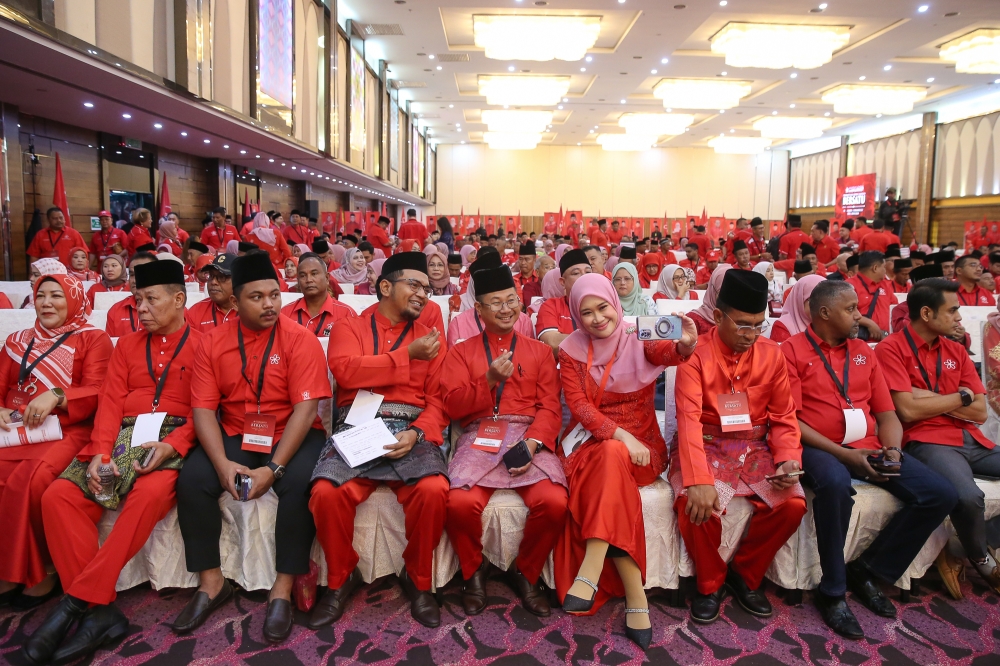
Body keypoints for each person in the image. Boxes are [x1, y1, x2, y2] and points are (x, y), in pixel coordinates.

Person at [27, 261, 201, 664]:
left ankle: (73, 606)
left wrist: (173, 445)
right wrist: (101, 454)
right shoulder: (125, 344)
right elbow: (108, 404)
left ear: (179, 300)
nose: (139, 308)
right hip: (122, 435)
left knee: (148, 495)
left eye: (150, 300)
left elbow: (206, 411)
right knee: (58, 497)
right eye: (137, 299)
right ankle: (100, 611)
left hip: (171, 440)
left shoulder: (205, 343)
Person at [780, 280, 956, 637]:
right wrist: (846, 455)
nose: (860, 315)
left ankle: (870, 570)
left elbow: (887, 413)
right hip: (819, 446)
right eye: (851, 309)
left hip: (871, 444)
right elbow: (791, 420)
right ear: (824, 313)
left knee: (941, 494)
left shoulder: (863, 351)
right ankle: (832, 591)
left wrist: (892, 449)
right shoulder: (791, 351)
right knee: (834, 483)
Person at [172, 252, 331, 642]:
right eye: (257, 297)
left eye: (275, 295)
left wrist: (273, 469)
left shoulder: (300, 339)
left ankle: (281, 589)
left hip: (291, 432)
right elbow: (204, 411)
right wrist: (223, 465)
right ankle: (211, 583)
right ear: (235, 301)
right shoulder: (212, 343)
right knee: (192, 480)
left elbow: (305, 408)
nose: (270, 304)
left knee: (299, 484)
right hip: (237, 431)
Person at [555, 273, 697, 650]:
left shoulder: (639, 333)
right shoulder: (570, 350)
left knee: (613, 459)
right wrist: (622, 436)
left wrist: (684, 347)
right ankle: (637, 596)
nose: (597, 319)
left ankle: (591, 567)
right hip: (597, 443)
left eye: (603, 308)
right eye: (586, 313)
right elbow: (581, 408)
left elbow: (664, 355)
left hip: (645, 450)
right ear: (576, 314)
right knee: (612, 454)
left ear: (615, 304)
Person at [309, 252, 449, 629]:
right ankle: (340, 579)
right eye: (414, 285)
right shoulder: (348, 327)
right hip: (359, 425)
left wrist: (417, 432)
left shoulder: (431, 339)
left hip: (410, 429)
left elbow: (439, 400)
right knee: (326, 492)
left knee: (434, 490)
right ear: (386, 286)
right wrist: (406, 356)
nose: (424, 293)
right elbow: (346, 372)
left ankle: (418, 580)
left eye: (427, 287)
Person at [671, 270, 806, 624]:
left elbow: (783, 416)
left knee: (792, 504)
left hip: (754, 447)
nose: (751, 335)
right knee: (694, 503)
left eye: (759, 325)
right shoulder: (695, 356)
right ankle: (710, 582)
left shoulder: (771, 354)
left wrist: (788, 459)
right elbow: (687, 421)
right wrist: (697, 479)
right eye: (743, 325)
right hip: (705, 443)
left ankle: (745, 575)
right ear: (717, 316)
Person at [441, 265, 567, 617]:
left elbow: (550, 409)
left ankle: (526, 573)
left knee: (554, 501)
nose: (506, 308)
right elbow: (451, 405)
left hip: (528, 435)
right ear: (478, 310)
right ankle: (472, 572)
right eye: (495, 303)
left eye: (511, 300)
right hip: (479, 432)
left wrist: (533, 443)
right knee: (458, 503)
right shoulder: (461, 352)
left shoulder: (539, 352)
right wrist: (489, 379)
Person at [875, 278, 1000, 598]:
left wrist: (928, 398)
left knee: (968, 495)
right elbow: (907, 411)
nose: (960, 317)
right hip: (928, 441)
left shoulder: (955, 351)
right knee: (967, 496)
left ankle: (971, 542)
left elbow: (981, 413)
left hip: (972, 438)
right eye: (953, 310)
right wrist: (961, 396)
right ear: (927, 313)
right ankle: (982, 559)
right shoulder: (892, 348)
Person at [0, 274, 112, 612]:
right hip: (13, 430)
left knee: (31, 480)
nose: (47, 303)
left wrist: (59, 395)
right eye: (41, 295)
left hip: (67, 429)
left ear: (75, 300)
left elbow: (99, 391)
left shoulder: (93, 339)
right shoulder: (16, 340)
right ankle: (8, 567)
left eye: (57, 296)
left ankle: (43, 570)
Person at [449, 254, 535, 346]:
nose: (505, 310)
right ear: (478, 307)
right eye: (496, 303)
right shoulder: (459, 324)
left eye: (510, 300)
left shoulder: (524, 321)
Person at [280, 253, 356, 336]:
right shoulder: (285, 313)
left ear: (327, 278)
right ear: (298, 281)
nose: (309, 280)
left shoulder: (346, 314)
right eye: (303, 276)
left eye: (314, 274)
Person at [535, 250, 593, 356]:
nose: (584, 277)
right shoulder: (551, 306)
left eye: (588, 272)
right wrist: (596, 340)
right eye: (576, 273)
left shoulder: (604, 304)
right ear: (563, 282)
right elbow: (552, 343)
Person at [105, 253, 158, 338]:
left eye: (142, 273)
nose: (134, 280)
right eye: (132, 275)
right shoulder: (115, 311)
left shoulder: (172, 309)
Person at [184, 254, 238, 333]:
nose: (213, 282)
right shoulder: (195, 312)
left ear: (238, 280)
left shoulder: (250, 310)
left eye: (222, 277)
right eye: (211, 276)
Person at [847, 251, 891, 342]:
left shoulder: (885, 285)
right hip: (857, 341)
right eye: (884, 267)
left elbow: (895, 308)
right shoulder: (849, 286)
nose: (885, 271)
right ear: (875, 268)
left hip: (884, 341)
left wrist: (886, 334)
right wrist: (869, 323)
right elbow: (843, 313)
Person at [769, 275, 825, 343]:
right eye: (814, 300)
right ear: (800, 300)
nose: (821, 306)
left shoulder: (832, 324)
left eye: (826, 300)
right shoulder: (783, 327)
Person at [686, 264, 732, 335]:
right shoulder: (692, 320)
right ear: (713, 290)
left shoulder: (738, 319)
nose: (727, 297)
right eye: (722, 292)